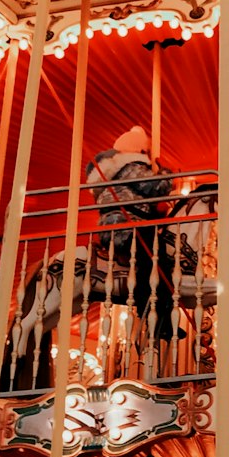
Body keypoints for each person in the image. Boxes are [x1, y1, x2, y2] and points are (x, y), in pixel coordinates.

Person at [87, 127, 175, 359]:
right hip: (127, 225)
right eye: (145, 151)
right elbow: (156, 186)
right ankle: (153, 308)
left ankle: (159, 310)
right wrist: (165, 170)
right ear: (139, 151)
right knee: (156, 258)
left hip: (118, 225)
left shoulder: (113, 170)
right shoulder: (130, 167)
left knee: (157, 250)